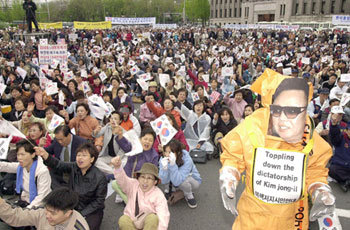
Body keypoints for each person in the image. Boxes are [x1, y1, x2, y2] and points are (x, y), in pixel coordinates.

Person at [220, 69, 334, 229]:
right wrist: (229, 176)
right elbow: (234, 154)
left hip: (291, 218)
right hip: (253, 216)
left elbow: (314, 167)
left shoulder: (305, 127)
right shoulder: (254, 124)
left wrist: (319, 190)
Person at [36, 142, 107, 230]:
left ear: (92, 159)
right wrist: (45, 155)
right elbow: (59, 165)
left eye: (84, 155)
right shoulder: (74, 166)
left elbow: (99, 201)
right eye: (78, 155)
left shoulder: (100, 177)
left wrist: (82, 213)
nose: (80, 158)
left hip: (91, 211)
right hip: (72, 204)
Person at [111, 158, 170, 230]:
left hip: (148, 225)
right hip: (132, 221)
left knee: (153, 218)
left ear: (155, 182)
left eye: (149, 178)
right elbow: (123, 180)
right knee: (123, 220)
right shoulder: (133, 185)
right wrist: (117, 168)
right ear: (138, 178)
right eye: (142, 177)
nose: (145, 181)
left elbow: (163, 215)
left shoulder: (158, 194)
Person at [0, 187, 89, 229]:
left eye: (53, 213)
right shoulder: (43, 211)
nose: (47, 215)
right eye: (47, 210)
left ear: (68, 213)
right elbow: (17, 216)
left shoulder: (78, 227)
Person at [0, 139, 51, 209]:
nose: (19, 158)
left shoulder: (42, 171)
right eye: (18, 154)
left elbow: (42, 197)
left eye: (22, 154)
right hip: (24, 202)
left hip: (38, 207)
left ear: (33, 154)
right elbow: (7, 166)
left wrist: (26, 210)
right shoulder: (22, 166)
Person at [159, 140, 201, 208]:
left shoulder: (187, 160)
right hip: (175, 180)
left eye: (170, 152)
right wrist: (164, 169)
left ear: (178, 152)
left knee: (183, 182)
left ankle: (188, 194)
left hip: (191, 180)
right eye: (165, 152)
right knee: (167, 174)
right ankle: (169, 189)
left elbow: (177, 182)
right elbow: (163, 181)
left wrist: (172, 165)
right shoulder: (163, 158)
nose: (167, 155)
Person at [328, 106, 350, 192]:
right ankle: (345, 180)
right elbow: (334, 137)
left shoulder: (344, 125)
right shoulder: (341, 137)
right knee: (332, 170)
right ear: (346, 130)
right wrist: (334, 124)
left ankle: (345, 181)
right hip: (341, 165)